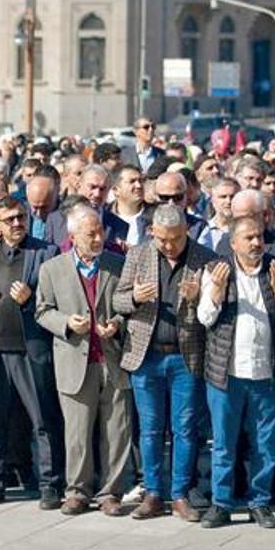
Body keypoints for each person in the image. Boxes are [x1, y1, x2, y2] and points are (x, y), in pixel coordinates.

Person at [113, 204, 216, 521]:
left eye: (176, 239)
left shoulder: (204, 258)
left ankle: (180, 494)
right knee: (150, 429)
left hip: (185, 356)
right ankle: (154, 492)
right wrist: (135, 298)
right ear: (152, 233)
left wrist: (201, 297)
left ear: (186, 230)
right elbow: (117, 299)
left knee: (185, 429)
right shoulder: (138, 255)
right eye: (163, 240)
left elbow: (217, 309)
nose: (170, 246)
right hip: (147, 355)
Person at [196, 217, 275, 529]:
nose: (257, 243)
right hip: (226, 372)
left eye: (260, 237)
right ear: (233, 243)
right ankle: (221, 503)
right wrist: (214, 289)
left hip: (266, 371)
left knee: (266, 443)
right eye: (249, 238)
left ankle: (260, 502)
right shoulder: (217, 269)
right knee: (225, 442)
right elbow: (205, 317)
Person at [35, 205, 130, 516]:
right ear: (73, 237)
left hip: (112, 360)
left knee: (116, 430)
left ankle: (111, 493)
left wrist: (115, 323)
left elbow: (128, 309)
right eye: (91, 234)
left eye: (100, 231)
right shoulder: (52, 269)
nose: (99, 238)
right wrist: (66, 323)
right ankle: (77, 491)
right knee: (77, 432)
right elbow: (42, 311)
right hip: (75, 360)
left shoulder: (117, 264)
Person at [0, 196, 63, 509]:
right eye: (9, 218)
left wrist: (31, 298)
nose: (16, 224)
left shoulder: (44, 252)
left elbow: (55, 301)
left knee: (42, 419)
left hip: (29, 350)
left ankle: (50, 483)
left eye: (21, 217)